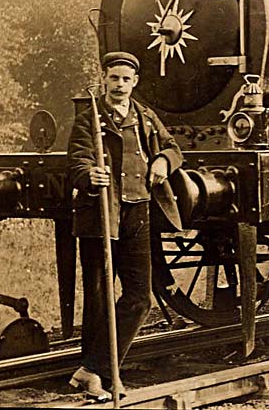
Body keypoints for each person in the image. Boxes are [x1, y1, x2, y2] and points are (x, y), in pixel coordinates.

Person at [67, 51, 184, 399]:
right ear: (104, 78)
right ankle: (102, 376)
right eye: (114, 78)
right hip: (100, 216)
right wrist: (90, 174)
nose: (119, 85)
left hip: (138, 212)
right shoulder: (89, 119)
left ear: (135, 83)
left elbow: (174, 147)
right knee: (99, 299)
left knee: (139, 298)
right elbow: (76, 160)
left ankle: (92, 370)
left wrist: (163, 161)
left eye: (126, 79)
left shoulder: (145, 117)